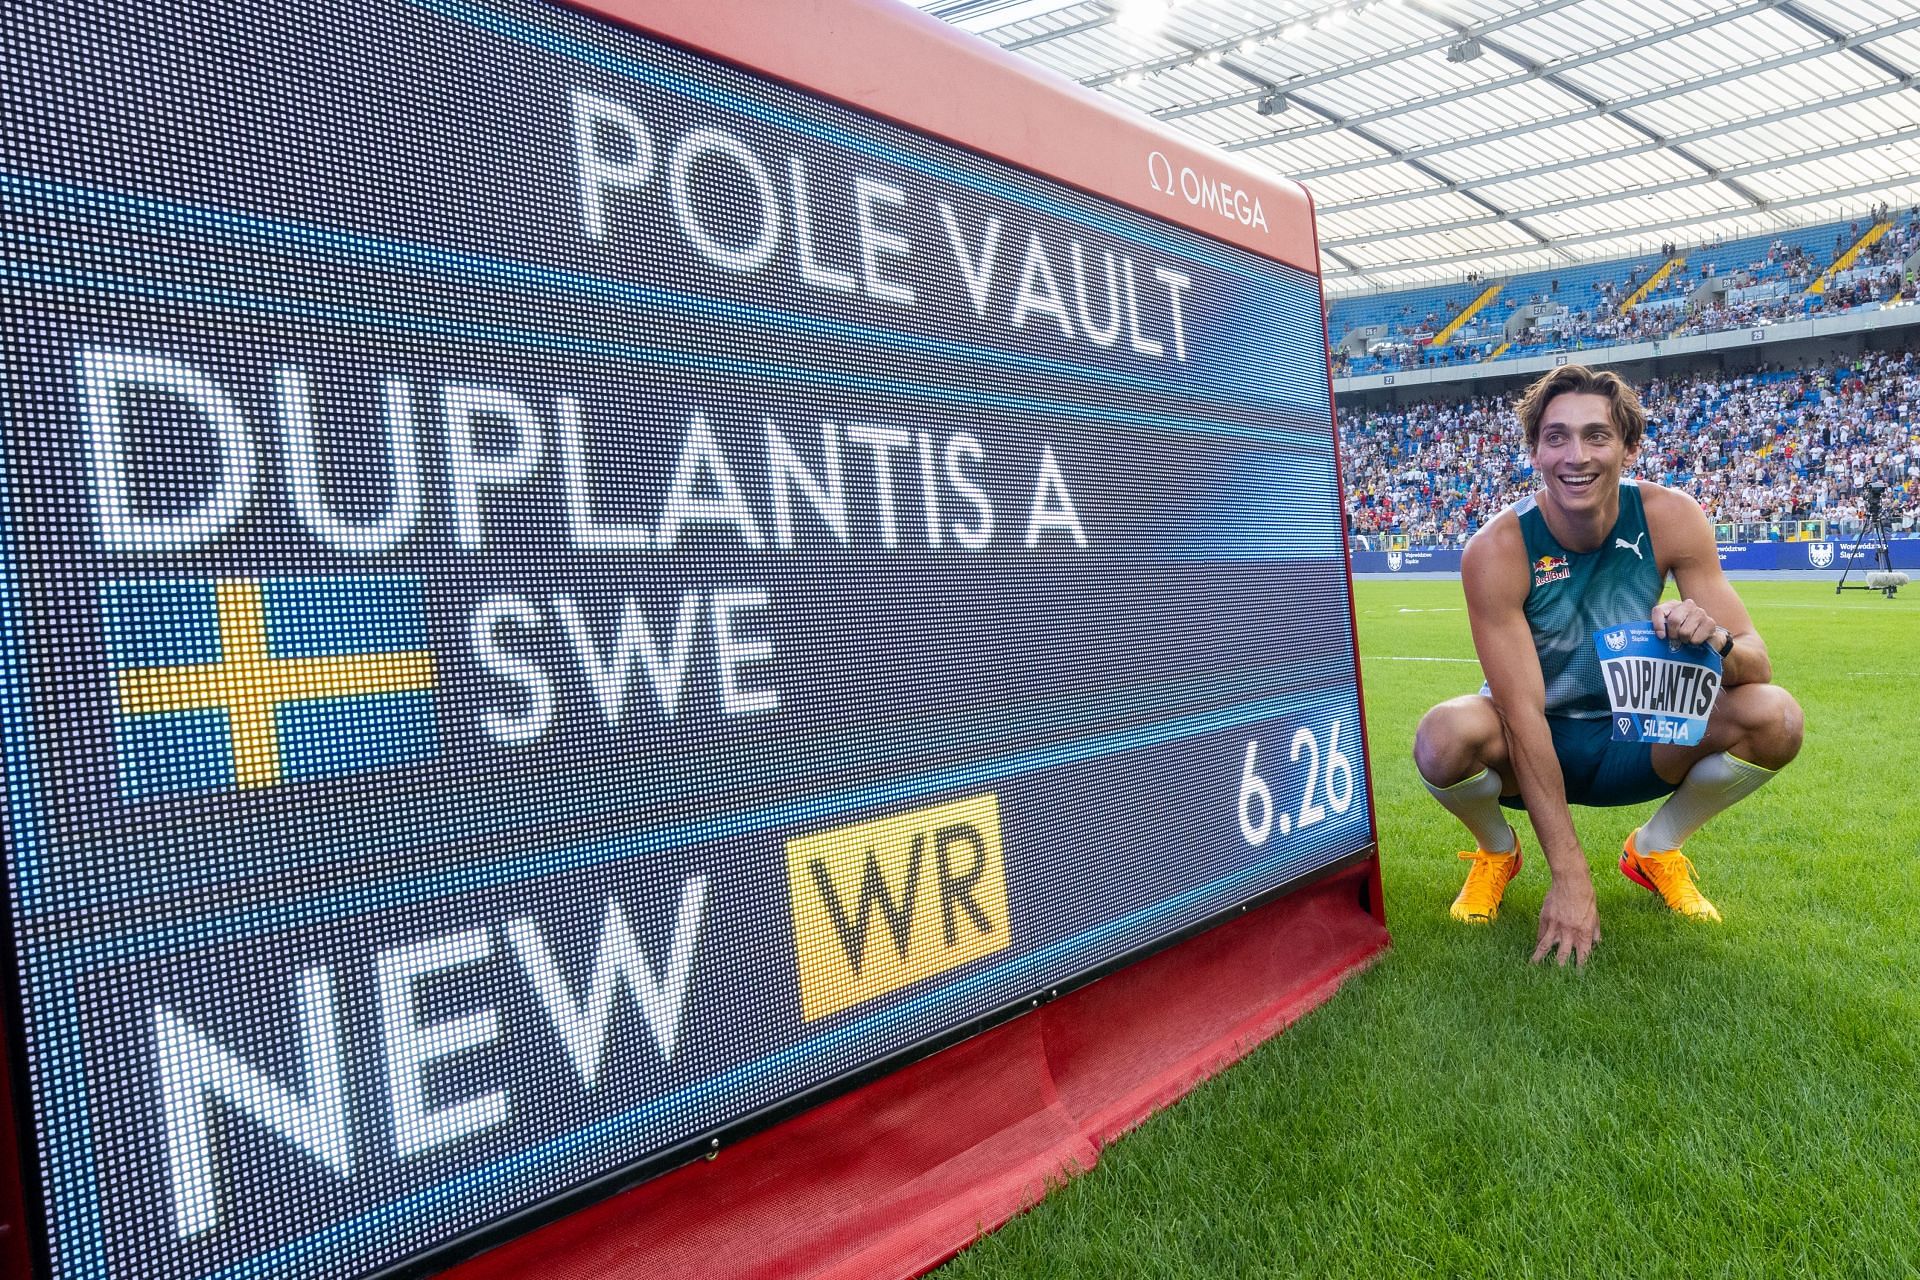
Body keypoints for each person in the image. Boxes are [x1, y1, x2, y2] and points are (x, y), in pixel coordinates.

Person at [1412, 366, 1804, 966]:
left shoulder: (1670, 516)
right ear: (1535, 452)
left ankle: (1654, 849)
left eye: (1597, 436)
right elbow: (1521, 718)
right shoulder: (1497, 549)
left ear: (1628, 447)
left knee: (1776, 719)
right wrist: (1569, 876)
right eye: (1557, 437)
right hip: (1538, 740)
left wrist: (1715, 637)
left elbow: (1756, 664)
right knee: (1442, 739)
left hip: (1640, 735)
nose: (1577, 456)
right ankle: (1497, 851)